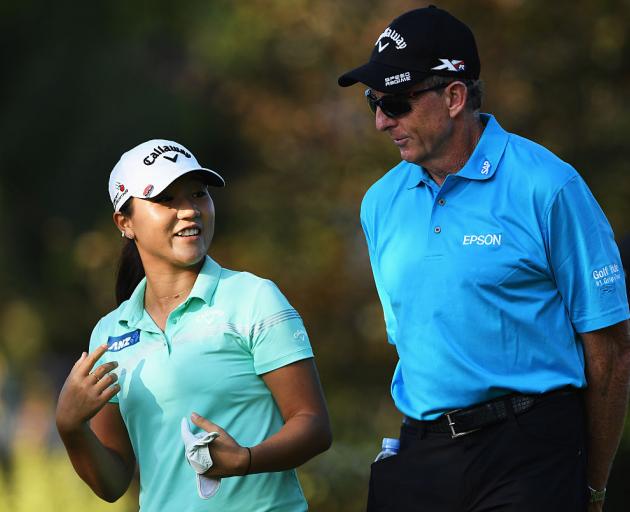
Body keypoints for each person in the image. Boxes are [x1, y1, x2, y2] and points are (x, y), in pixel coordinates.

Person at [337, 6, 630, 512]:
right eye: (374, 103)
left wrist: (593, 484)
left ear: (454, 96)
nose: (383, 121)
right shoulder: (379, 203)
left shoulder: (548, 186)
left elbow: (610, 349)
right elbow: (411, 338)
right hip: (422, 450)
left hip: (529, 450)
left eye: (398, 102)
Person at [55, 139, 332, 511]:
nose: (189, 211)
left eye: (198, 194)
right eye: (166, 199)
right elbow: (113, 482)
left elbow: (313, 424)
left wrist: (247, 458)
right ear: (125, 222)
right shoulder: (110, 333)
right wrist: (70, 428)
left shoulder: (254, 298)